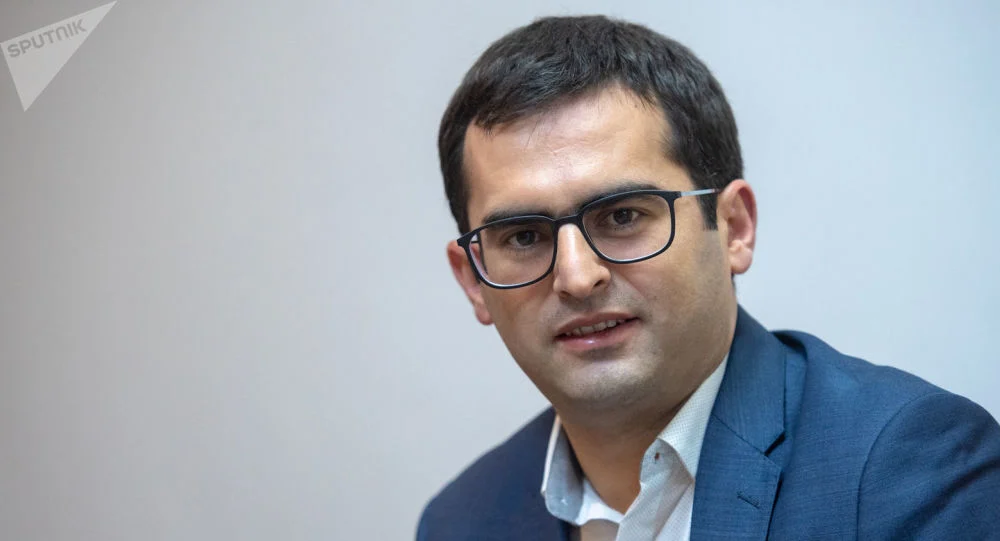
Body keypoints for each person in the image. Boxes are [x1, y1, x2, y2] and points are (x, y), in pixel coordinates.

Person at [417, 15, 1000, 541]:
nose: (576, 277)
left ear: (734, 228)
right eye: (523, 236)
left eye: (622, 217)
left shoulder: (908, 468)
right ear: (473, 280)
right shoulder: (460, 521)